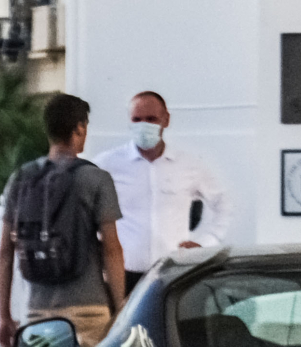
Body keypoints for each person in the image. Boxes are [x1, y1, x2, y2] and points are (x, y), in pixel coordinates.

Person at [0, 92, 126, 347]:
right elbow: (112, 249)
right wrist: (120, 306)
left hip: (37, 312)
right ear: (79, 128)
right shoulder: (96, 179)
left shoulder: (21, 177)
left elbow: (4, 252)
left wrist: (4, 316)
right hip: (89, 311)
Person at [93, 90, 228, 292]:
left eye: (151, 119)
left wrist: (205, 242)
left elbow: (224, 205)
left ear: (166, 120)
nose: (143, 126)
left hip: (173, 273)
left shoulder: (188, 165)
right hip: (123, 276)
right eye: (137, 119)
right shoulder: (107, 164)